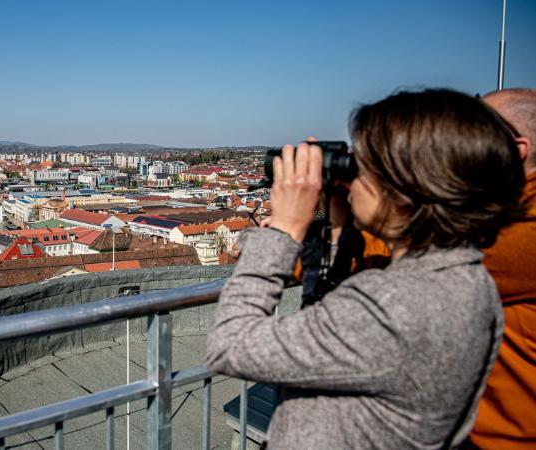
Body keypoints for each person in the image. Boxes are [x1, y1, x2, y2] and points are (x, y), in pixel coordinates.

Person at [205, 89, 525, 449]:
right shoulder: (470, 280)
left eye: (365, 164)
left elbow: (229, 346)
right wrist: (340, 229)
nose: (354, 175)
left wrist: (283, 230)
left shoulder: (396, 305)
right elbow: (335, 333)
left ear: (404, 188)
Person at [469, 88, 536, 450]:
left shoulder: (522, 233)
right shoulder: (503, 210)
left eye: (473, 132)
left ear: (516, 150)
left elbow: (412, 268)